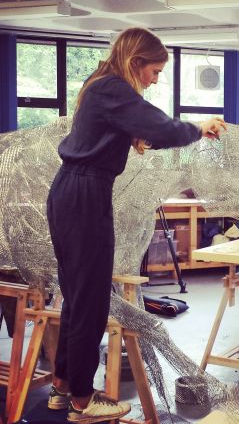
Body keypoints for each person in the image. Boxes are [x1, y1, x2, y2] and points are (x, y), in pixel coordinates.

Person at [46, 27, 226, 423]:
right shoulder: (112, 88)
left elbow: (152, 134)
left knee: (77, 296)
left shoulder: (102, 87)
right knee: (91, 298)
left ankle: (63, 384)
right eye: (155, 71)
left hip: (74, 192)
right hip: (85, 194)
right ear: (135, 62)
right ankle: (82, 399)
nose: (156, 79)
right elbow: (160, 127)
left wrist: (192, 132)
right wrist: (198, 128)